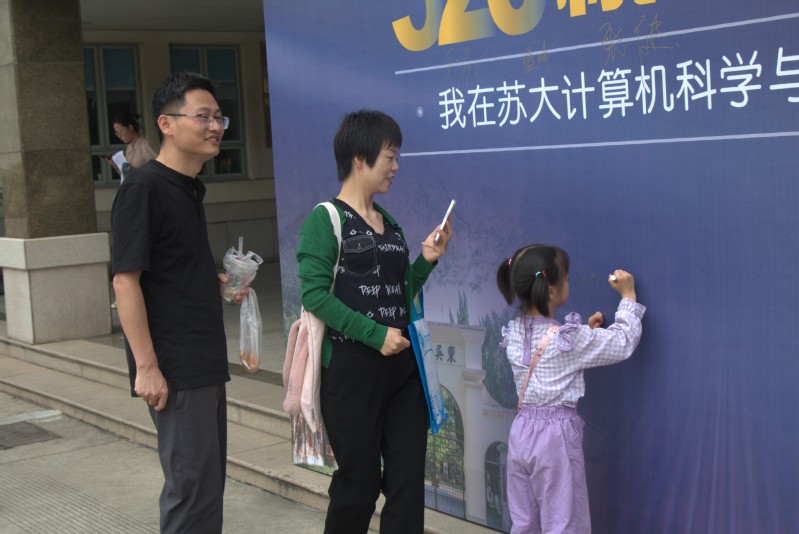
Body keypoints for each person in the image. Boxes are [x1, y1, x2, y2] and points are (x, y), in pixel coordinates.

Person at [296, 110, 453, 534]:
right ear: (360, 157)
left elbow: (400, 293)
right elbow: (314, 296)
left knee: (406, 483)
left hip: (402, 369)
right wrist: (374, 334)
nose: (396, 166)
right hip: (351, 370)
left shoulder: (390, 223)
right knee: (359, 484)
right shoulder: (325, 219)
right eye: (390, 156)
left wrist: (427, 260)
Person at [111, 71, 243, 534]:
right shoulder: (144, 188)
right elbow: (125, 281)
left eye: (219, 117)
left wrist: (217, 284)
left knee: (206, 490)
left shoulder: (189, 188)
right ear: (166, 124)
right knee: (191, 494)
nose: (216, 126)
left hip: (203, 360)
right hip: (175, 366)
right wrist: (146, 367)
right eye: (203, 116)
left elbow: (171, 272)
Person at [496, 245, 646, 534]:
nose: (568, 282)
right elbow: (623, 342)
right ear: (551, 290)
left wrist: (588, 334)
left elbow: (552, 358)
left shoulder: (513, 332)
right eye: (566, 278)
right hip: (555, 440)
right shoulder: (569, 340)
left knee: (525, 521)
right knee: (563, 522)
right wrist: (628, 297)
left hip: (521, 433)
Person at [102, 111, 157, 181]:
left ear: (130, 128)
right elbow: (127, 177)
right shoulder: (129, 148)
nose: (119, 136)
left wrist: (137, 172)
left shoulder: (145, 146)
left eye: (120, 132)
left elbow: (159, 170)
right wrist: (116, 166)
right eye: (117, 134)